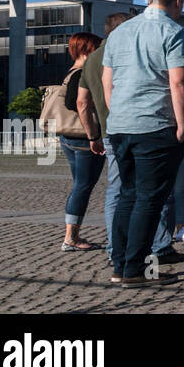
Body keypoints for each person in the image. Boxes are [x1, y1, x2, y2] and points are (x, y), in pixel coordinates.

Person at [102, 0, 184, 286]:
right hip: (155, 125)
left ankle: (120, 265)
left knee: (128, 195)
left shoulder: (120, 32)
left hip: (120, 125)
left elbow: (108, 82)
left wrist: (117, 113)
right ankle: (136, 270)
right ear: (178, 2)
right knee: (149, 199)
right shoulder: (173, 31)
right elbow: (179, 82)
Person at [78, 10, 184, 267]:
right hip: (143, 127)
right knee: (151, 196)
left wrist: (94, 133)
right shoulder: (132, 51)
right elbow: (177, 84)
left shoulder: (92, 59)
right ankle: (149, 254)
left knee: (120, 193)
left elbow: (82, 101)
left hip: (111, 131)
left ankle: (117, 253)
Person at [59, 32, 104, 251]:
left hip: (67, 137)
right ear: (87, 49)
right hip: (84, 138)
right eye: (96, 48)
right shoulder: (83, 73)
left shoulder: (69, 73)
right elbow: (81, 104)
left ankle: (72, 235)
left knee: (79, 185)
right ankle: (71, 237)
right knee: (82, 186)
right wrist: (94, 136)